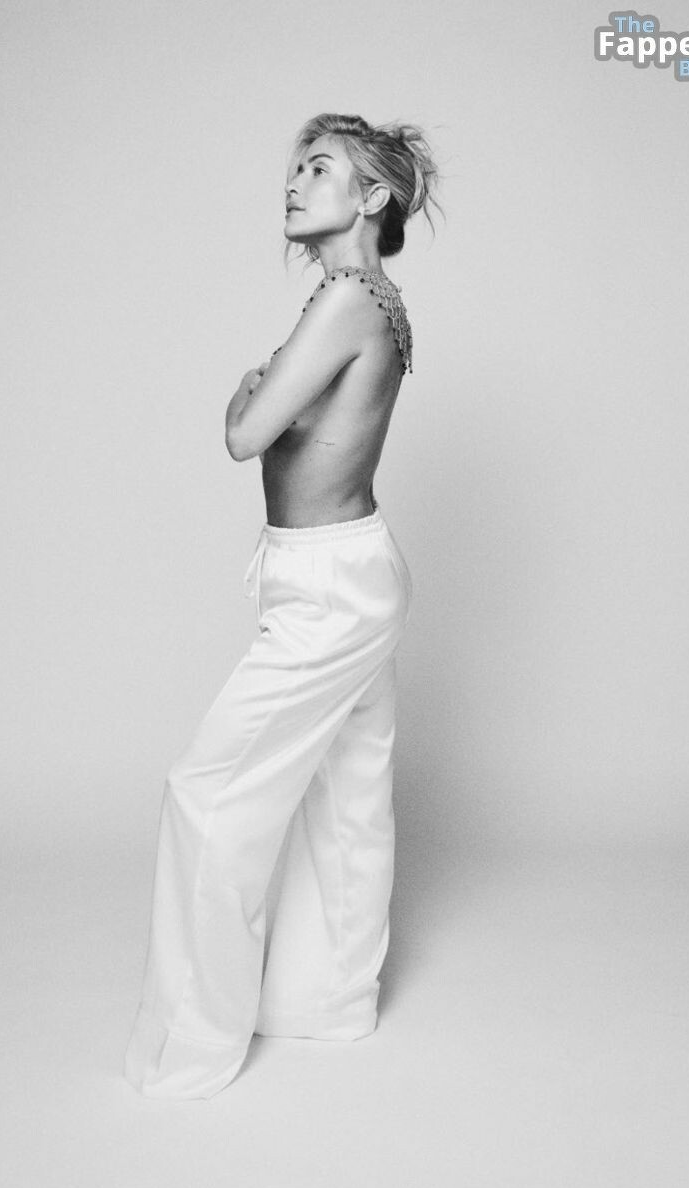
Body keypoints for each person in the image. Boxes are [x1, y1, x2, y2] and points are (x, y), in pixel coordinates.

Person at [124, 112, 440, 1100]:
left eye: (319, 167)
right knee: (345, 793)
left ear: (372, 197)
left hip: (329, 584)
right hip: (344, 569)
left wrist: (240, 396)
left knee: (208, 791)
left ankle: (190, 1050)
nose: (294, 182)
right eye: (294, 167)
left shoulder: (346, 298)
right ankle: (325, 1002)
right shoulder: (374, 300)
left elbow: (248, 432)